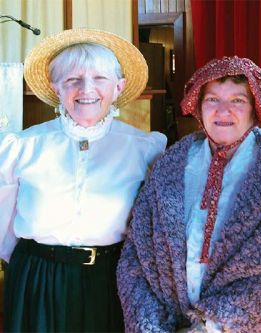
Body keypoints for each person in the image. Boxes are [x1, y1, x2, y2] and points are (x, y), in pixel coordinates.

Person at [117, 56, 261, 333]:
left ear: (255, 109)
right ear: (199, 108)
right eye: (212, 99)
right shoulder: (171, 163)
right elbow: (137, 253)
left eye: (238, 100)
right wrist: (149, 325)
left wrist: (210, 326)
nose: (223, 111)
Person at [0, 28, 167, 332]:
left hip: (111, 281)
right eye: (72, 79)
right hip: (37, 278)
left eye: (100, 78)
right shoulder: (20, 148)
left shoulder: (146, 150)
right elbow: (3, 227)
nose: (86, 89)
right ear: (56, 88)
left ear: (119, 87)